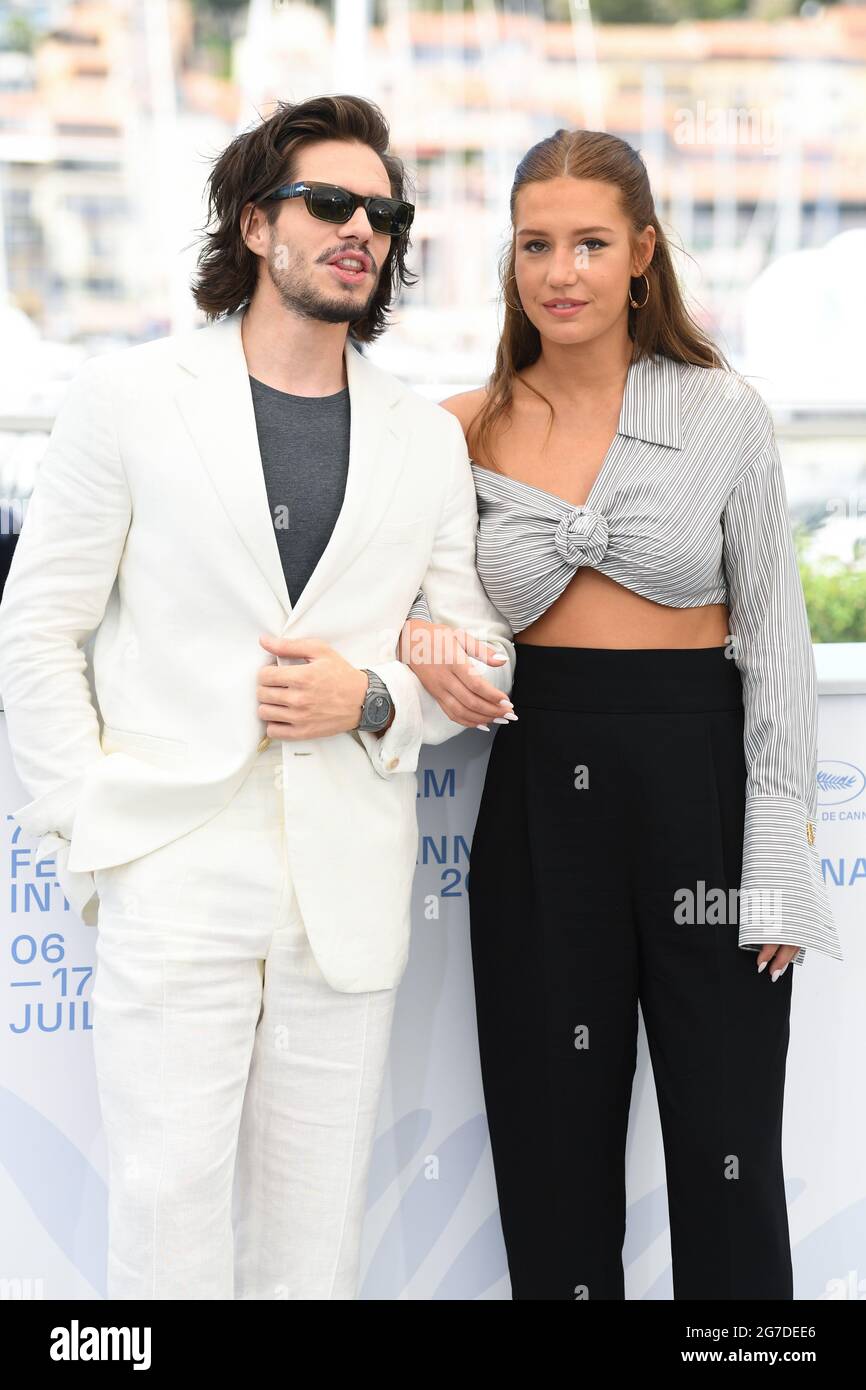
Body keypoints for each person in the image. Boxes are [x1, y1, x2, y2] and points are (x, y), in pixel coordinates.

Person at [0, 94, 515, 1300]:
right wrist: (91, 829)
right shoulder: (126, 399)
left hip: (344, 890)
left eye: (381, 214)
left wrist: (375, 696)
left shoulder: (420, 438)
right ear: (254, 223)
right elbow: (36, 627)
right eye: (328, 204)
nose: (360, 231)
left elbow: (478, 654)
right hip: (171, 866)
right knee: (163, 1226)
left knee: (315, 1244)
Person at [402, 127, 843, 1300]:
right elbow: (389, 596)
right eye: (534, 244)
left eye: (590, 243)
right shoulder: (458, 427)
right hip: (541, 795)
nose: (561, 270)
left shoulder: (720, 412)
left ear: (641, 253)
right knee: (550, 1147)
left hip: (704, 792)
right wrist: (416, 638)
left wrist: (778, 851)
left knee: (728, 1149)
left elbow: (777, 646)